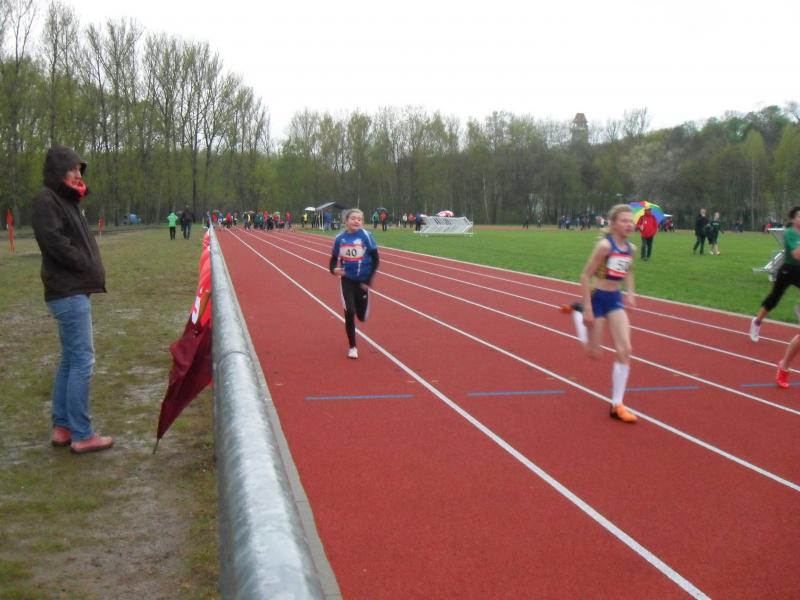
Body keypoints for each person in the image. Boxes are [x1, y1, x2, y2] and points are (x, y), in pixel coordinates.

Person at [31, 145, 113, 454]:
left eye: (80, 169)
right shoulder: (47, 199)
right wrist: (82, 262)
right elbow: (53, 241)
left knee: (70, 359)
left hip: (72, 289)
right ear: (59, 171)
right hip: (68, 291)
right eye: (73, 169)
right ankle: (82, 433)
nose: (79, 174)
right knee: (82, 360)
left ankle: (63, 427)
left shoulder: (66, 200)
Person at [560, 204, 638, 423]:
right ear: (613, 224)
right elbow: (585, 276)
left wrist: (630, 293)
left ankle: (617, 404)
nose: (629, 224)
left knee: (625, 349)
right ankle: (577, 314)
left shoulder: (631, 249)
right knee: (594, 353)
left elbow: (629, 271)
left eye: (630, 220)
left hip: (615, 300)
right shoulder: (605, 246)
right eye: (624, 220)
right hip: (597, 299)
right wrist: (587, 308)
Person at [329, 208, 379, 359]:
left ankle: (362, 305)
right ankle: (352, 347)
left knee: (361, 316)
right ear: (346, 221)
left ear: (362, 222)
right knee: (349, 311)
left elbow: (376, 259)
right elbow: (333, 259)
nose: (356, 221)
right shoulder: (340, 238)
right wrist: (333, 270)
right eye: (353, 218)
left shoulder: (366, 236)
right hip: (347, 280)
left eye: (359, 219)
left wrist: (368, 280)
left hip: (362, 281)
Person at [749, 206, 800, 342]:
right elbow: (796, 255)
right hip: (787, 270)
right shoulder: (789, 233)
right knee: (774, 299)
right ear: (793, 219)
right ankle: (757, 322)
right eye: (799, 216)